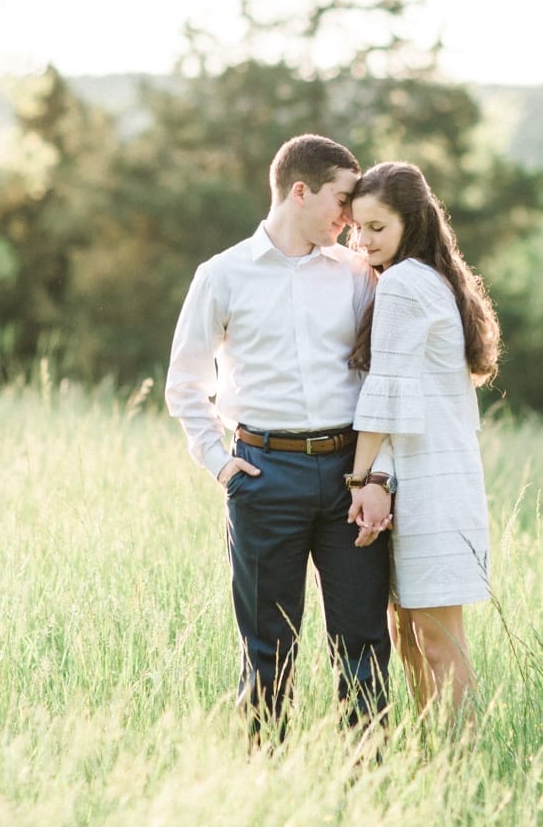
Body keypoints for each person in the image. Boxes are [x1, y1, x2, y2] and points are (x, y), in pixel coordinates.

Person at [165, 134, 393, 742]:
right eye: (342, 201)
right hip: (265, 476)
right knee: (268, 648)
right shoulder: (222, 275)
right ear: (300, 191)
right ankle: (265, 787)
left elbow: (383, 381)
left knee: (364, 643)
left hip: (350, 472)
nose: (350, 219)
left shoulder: (356, 274)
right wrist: (219, 462)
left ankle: (368, 789)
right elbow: (184, 384)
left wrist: (378, 476)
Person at [342, 161, 501, 719]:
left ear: (413, 222)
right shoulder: (429, 277)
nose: (362, 241)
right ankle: (433, 758)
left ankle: (457, 765)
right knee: (409, 636)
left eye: (377, 228)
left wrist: (359, 479)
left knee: (436, 642)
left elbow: (385, 395)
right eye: (356, 228)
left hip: (432, 483)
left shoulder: (407, 283)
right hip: (424, 476)